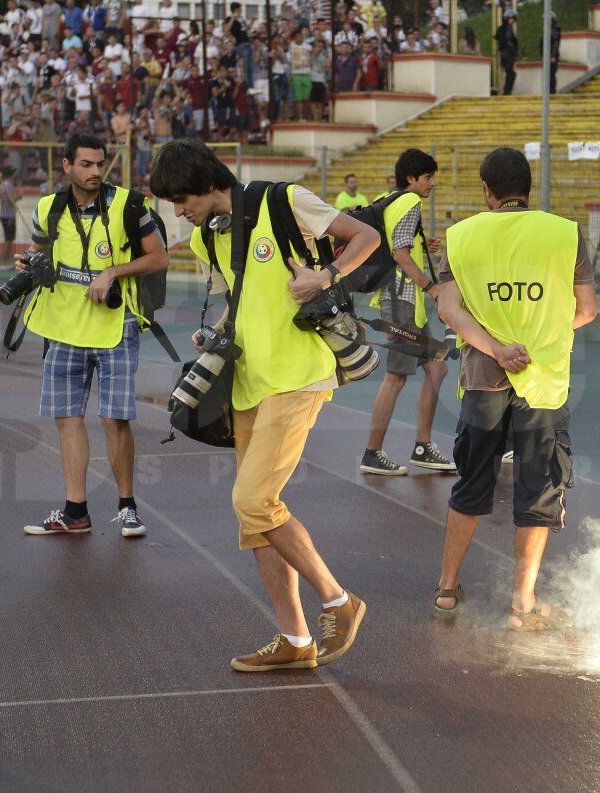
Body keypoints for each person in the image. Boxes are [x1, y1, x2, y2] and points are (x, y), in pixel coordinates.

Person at [149, 139, 377, 671]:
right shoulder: (209, 238)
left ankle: (341, 603)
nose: (178, 211)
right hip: (247, 382)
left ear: (206, 180)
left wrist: (327, 276)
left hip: (298, 374)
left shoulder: (284, 201)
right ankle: (296, 641)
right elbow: (242, 297)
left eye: (180, 198)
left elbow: (366, 236)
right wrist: (219, 333)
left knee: (253, 502)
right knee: (255, 519)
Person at [433, 146, 598, 627]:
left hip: (484, 379)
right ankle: (523, 604)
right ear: (529, 189)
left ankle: (447, 589)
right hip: (543, 381)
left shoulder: (461, 237)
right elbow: (586, 310)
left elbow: (449, 311)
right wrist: (537, 339)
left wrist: (498, 348)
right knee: (538, 487)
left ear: (486, 190)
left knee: (471, 482)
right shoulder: (564, 234)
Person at [19, 132, 169, 537]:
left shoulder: (128, 204)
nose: (95, 172)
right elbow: (40, 251)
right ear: (66, 165)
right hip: (63, 326)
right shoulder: (47, 207)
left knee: (113, 418)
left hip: (115, 325)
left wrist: (113, 271)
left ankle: (127, 507)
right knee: (67, 419)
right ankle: (75, 510)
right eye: (86, 164)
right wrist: (31, 263)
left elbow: (158, 257)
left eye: (100, 164)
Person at [360, 149, 454, 476]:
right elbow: (400, 254)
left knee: (437, 369)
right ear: (412, 178)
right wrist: (431, 287)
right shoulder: (410, 203)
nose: (432, 183)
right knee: (396, 376)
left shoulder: (389, 198)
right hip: (402, 301)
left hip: (402, 301)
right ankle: (372, 453)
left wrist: (421, 246)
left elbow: (392, 242)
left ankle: (423, 446)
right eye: (428, 177)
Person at [495, 9, 518, 96]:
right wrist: (514, 53)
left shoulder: (501, 28)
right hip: (508, 53)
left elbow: (497, 37)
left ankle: (506, 91)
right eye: (511, 19)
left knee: (509, 72)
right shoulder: (508, 28)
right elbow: (509, 42)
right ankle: (507, 92)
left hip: (502, 53)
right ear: (507, 19)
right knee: (511, 73)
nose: (513, 21)